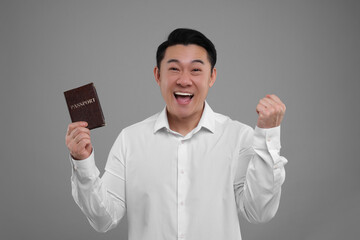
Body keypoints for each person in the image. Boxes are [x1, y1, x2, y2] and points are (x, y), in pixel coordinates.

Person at [66, 28, 287, 240]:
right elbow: (103, 219)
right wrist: (82, 163)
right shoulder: (130, 140)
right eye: (174, 69)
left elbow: (259, 211)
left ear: (212, 76)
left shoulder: (238, 136)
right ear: (157, 75)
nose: (184, 80)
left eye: (196, 69)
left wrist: (268, 135)